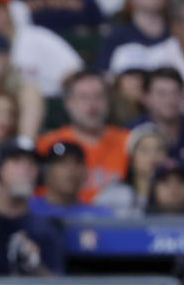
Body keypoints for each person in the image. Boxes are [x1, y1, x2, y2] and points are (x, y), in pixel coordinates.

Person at [37, 71, 130, 201]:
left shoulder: (129, 142)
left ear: (108, 101)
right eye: (84, 97)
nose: (92, 106)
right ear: (68, 103)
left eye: (98, 97)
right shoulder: (46, 145)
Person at [0, 138, 65, 275]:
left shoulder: (48, 228)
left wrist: (34, 265)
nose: (26, 169)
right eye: (16, 161)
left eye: (31, 163)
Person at [135, 66, 184, 178]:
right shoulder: (131, 132)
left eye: (175, 93)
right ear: (147, 97)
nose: (169, 100)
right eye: (161, 94)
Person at [95, 124, 167, 217]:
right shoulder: (113, 194)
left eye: (159, 150)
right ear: (132, 158)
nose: (153, 156)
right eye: (144, 150)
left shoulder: (176, 195)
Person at [29, 141, 112, 218]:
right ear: (46, 171)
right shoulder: (26, 211)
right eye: (62, 163)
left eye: (77, 163)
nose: (71, 170)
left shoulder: (100, 216)